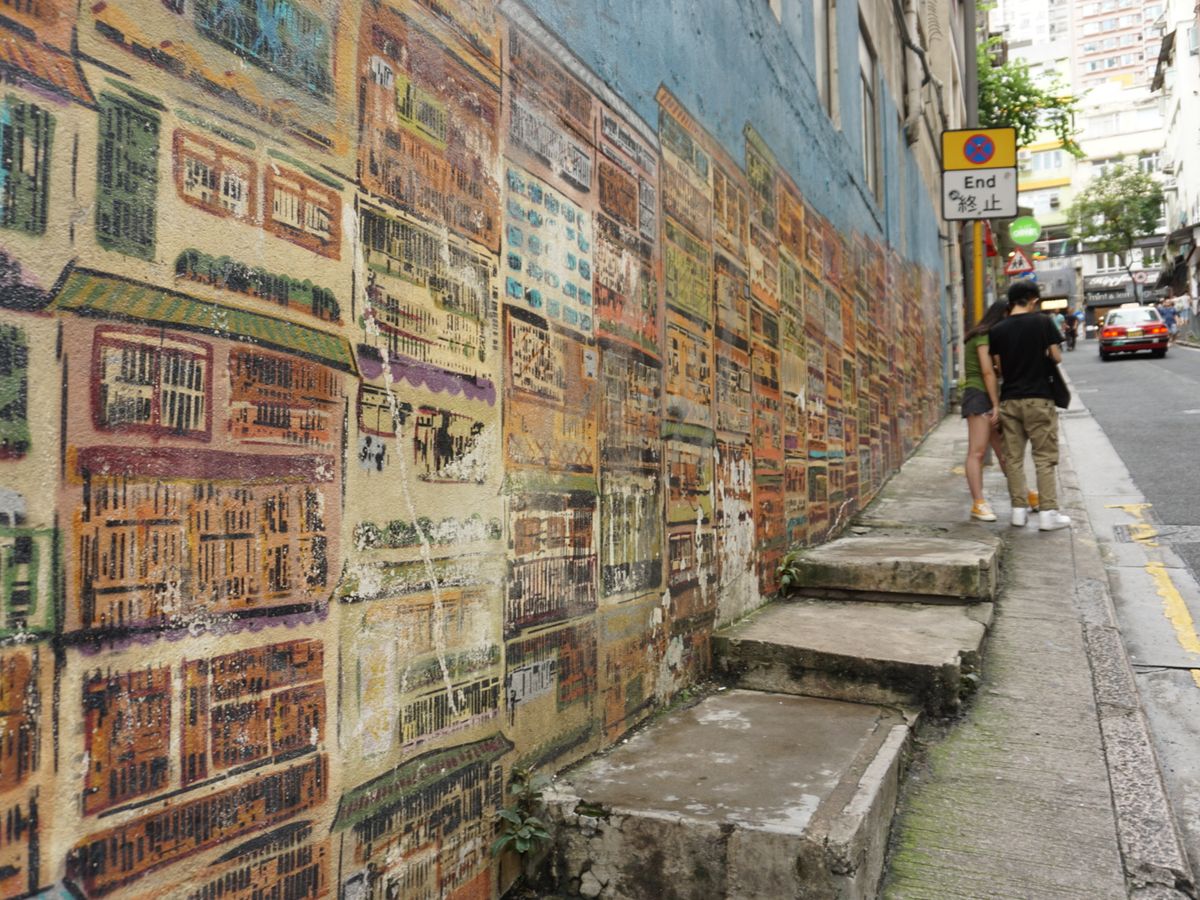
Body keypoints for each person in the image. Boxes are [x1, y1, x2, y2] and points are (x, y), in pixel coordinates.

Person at [988, 281, 1070, 531]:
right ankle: (1048, 514)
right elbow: (1056, 357)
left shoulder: (997, 330)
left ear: (1012, 301)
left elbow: (1000, 368)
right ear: (1033, 300)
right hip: (1038, 398)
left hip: (1010, 399)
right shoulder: (1043, 322)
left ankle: (1018, 512)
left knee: (1013, 458)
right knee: (1044, 457)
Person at [961, 300, 1009, 521]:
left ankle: (1021, 493)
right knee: (977, 451)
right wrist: (995, 404)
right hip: (979, 395)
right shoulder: (983, 336)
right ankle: (978, 503)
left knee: (1005, 452)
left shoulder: (989, 336)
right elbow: (987, 372)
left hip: (987, 395)